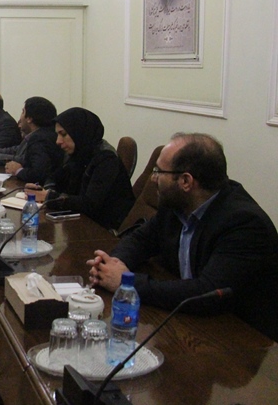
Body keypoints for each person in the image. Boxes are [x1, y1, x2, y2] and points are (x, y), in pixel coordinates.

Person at [87, 133, 278, 342]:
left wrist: (128, 283)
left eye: (158, 171)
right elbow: (140, 239)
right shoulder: (177, 203)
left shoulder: (244, 223)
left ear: (186, 181)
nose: (153, 178)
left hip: (239, 338)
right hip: (188, 322)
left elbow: (207, 292)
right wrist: (112, 264)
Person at [27, 107, 134, 231]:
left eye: (63, 134)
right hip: (81, 222)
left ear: (78, 131)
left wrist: (48, 197)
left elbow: (90, 204)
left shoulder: (106, 159)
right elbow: (55, 177)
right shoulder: (79, 153)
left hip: (104, 229)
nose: (58, 141)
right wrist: (45, 190)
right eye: (57, 135)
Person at [0, 96, 63, 184]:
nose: (20, 117)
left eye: (23, 112)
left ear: (29, 119)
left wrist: (18, 170)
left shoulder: (40, 139)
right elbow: (16, 149)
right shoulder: (39, 135)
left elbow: (31, 167)